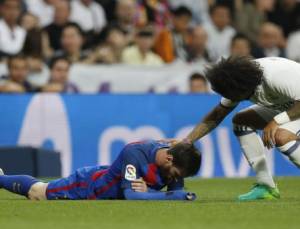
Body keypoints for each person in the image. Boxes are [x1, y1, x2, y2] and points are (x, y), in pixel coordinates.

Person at [183, 56, 300, 201]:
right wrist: (187, 141)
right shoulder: (240, 79)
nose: (229, 97)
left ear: (240, 88)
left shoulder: (275, 77)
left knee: (281, 137)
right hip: (290, 107)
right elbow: (217, 114)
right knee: (241, 121)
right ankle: (266, 187)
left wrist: (276, 121)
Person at [0, 140, 201, 201]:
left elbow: (174, 192)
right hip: (89, 186)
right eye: (174, 175)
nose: (173, 179)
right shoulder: (135, 153)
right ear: (169, 158)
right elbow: (131, 194)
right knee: (38, 193)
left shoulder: (174, 160)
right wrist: (173, 196)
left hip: (109, 186)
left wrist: (153, 193)